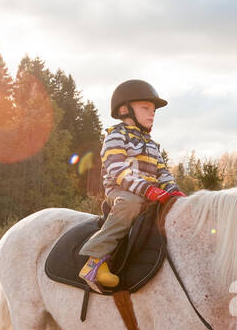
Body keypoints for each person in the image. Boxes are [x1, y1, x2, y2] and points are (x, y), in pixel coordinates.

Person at [78, 80, 185, 292]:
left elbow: (162, 172)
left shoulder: (152, 144)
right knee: (131, 202)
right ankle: (95, 261)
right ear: (125, 109)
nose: (152, 114)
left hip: (150, 194)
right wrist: (148, 189)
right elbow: (118, 170)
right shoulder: (115, 136)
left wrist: (174, 192)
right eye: (146, 108)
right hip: (122, 192)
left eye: (154, 110)